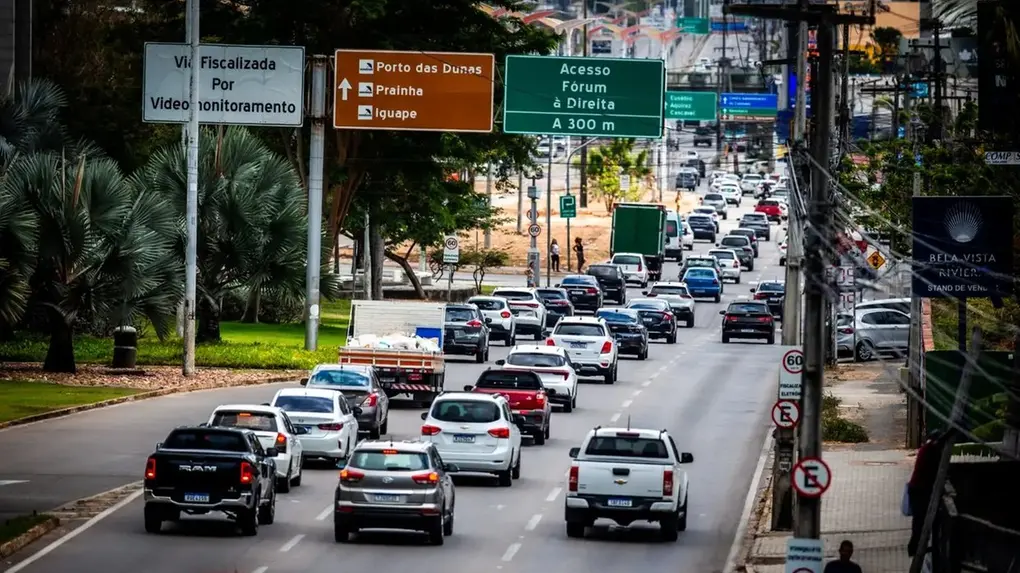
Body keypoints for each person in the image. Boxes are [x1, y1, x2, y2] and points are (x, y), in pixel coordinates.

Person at [907, 429, 947, 556]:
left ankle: (917, 547)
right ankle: (915, 548)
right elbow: (934, 470)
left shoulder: (927, 449)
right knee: (920, 520)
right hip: (920, 490)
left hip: (919, 489)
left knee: (920, 520)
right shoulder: (930, 451)